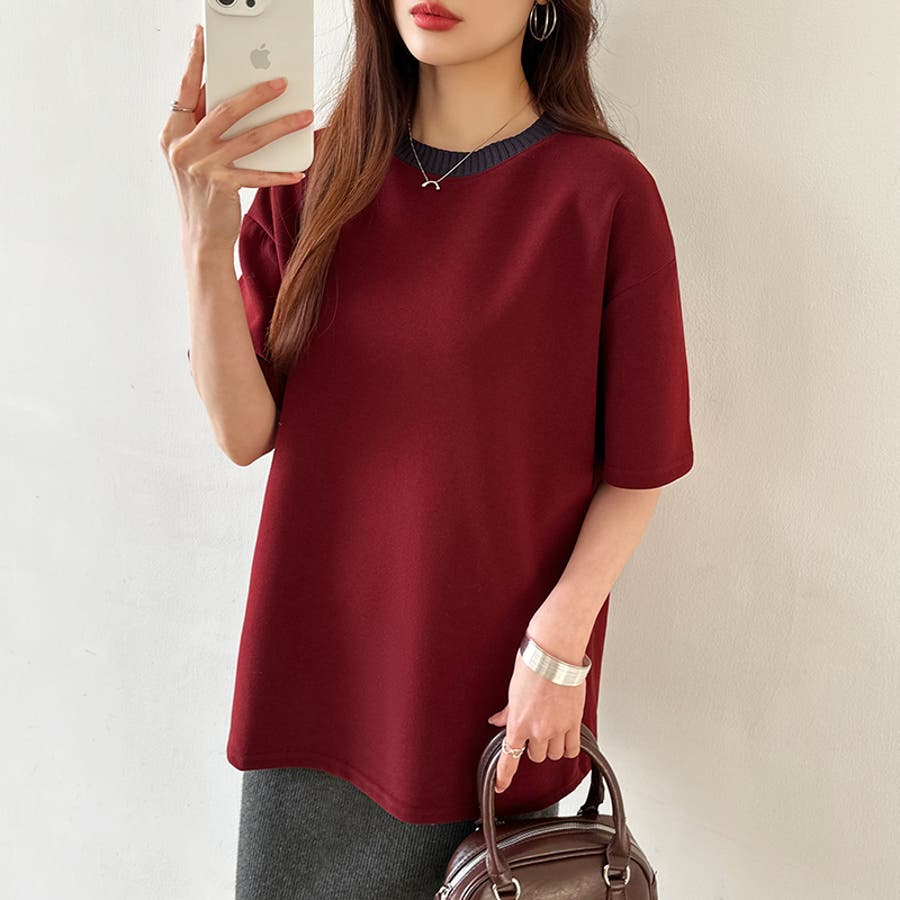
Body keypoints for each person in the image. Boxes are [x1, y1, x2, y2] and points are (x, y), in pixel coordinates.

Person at [160, 1, 694, 897]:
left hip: (491, 707)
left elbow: (642, 463)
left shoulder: (601, 195)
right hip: (317, 684)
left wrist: (559, 647)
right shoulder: (314, 174)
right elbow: (244, 432)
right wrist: (204, 236)